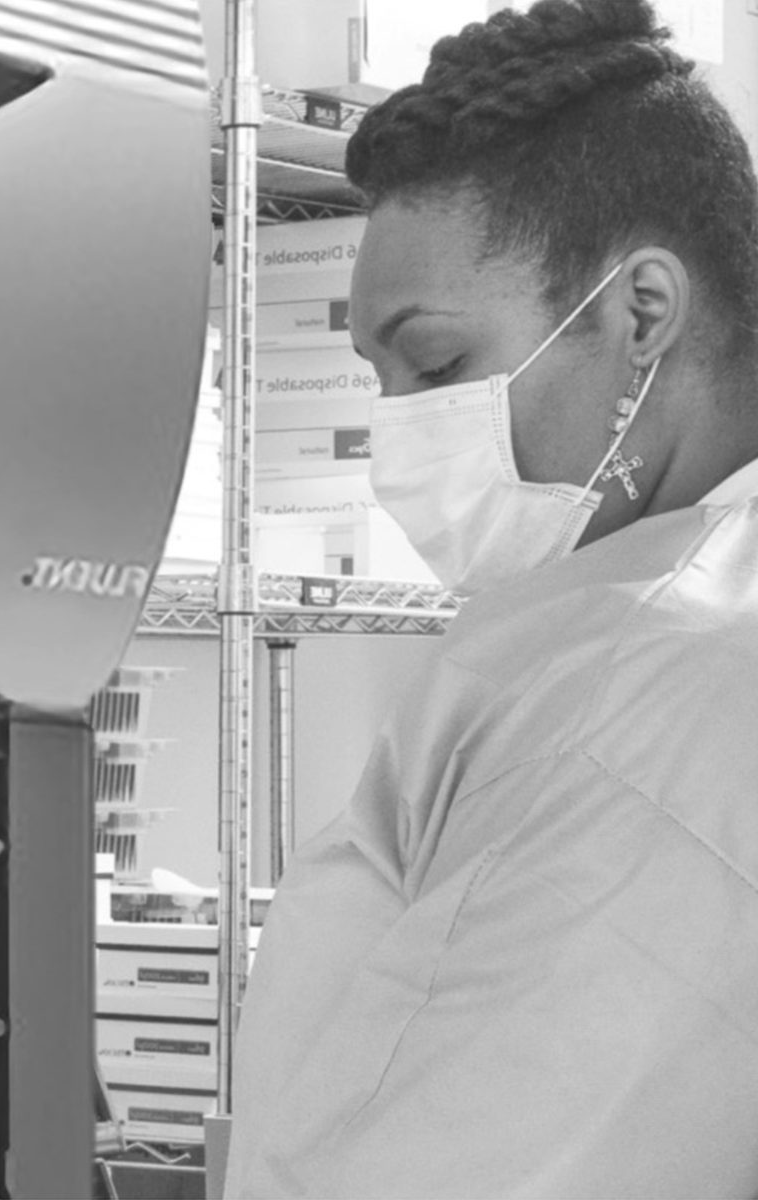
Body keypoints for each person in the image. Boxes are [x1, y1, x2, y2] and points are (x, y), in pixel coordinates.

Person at [224, 1, 758, 1195]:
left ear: (641, 314)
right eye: (378, 382)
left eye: (438, 365)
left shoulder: (648, 679)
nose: (397, 438)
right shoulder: (626, 620)